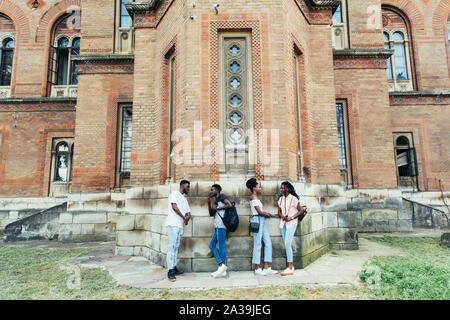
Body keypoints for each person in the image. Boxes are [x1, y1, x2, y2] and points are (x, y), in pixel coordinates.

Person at [246, 178, 278, 276]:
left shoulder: (256, 198)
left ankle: (266, 267)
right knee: (258, 244)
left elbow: (260, 212)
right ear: (254, 188)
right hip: (257, 220)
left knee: (268, 242)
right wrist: (269, 214)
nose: (260, 188)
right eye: (258, 186)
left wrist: (266, 214)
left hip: (261, 220)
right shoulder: (253, 198)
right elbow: (259, 212)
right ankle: (257, 268)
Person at [277, 181, 307, 276]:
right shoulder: (281, 199)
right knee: (286, 245)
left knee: (287, 243)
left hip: (292, 223)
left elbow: (301, 210)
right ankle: (289, 267)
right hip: (283, 224)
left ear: (287, 189)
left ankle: (290, 267)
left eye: (282, 188)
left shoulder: (293, 198)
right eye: (280, 188)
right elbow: (279, 211)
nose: (281, 189)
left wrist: (291, 218)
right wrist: (282, 217)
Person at [165, 180, 191, 282]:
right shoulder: (174, 193)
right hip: (172, 224)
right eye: (188, 186)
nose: (188, 188)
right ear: (183, 185)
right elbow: (174, 206)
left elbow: (188, 213)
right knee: (171, 247)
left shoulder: (184, 199)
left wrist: (186, 218)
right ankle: (170, 270)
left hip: (179, 226)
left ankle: (174, 267)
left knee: (176, 247)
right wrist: (183, 217)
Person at [207, 184, 233, 278]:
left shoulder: (222, 197)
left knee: (221, 246)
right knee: (212, 245)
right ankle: (222, 266)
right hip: (217, 226)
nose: (211, 191)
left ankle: (222, 268)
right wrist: (209, 199)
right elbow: (211, 213)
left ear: (217, 190)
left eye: (212, 189)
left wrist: (217, 208)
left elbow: (229, 205)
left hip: (222, 226)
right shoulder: (215, 200)